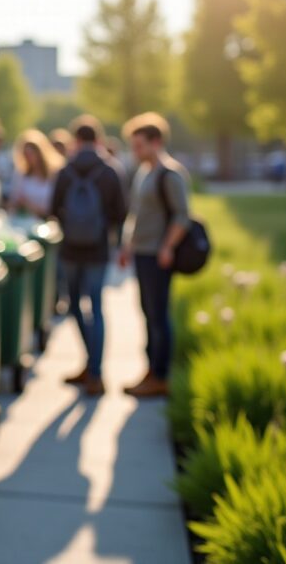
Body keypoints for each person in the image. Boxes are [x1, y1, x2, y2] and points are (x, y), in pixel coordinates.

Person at [49, 116, 127, 395]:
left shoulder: (66, 170)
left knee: (74, 305)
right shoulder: (110, 171)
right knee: (96, 306)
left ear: (76, 140)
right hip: (98, 248)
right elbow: (121, 212)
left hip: (71, 248)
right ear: (98, 140)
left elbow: (53, 208)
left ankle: (89, 362)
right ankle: (95, 371)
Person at [119, 112, 191, 398]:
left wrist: (167, 247)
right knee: (148, 313)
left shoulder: (170, 174)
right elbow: (137, 213)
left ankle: (161, 377)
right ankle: (151, 370)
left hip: (157, 255)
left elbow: (182, 216)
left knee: (158, 316)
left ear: (156, 142)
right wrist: (127, 245)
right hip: (142, 252)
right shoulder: (145, 172)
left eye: (139, 145)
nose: (135, 151)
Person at [10, 129, 65, 219]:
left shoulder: (54, 174)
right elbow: (14, 201)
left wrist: (30, 206)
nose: (28, 158)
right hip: (27, 221)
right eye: (25, 154)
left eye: (31, 153)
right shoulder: (21, 174)